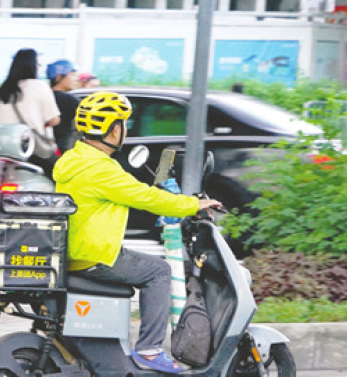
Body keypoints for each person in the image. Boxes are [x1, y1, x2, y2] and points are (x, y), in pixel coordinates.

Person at [53, 91, 222, 374]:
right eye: (123, 124)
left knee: (148, 266)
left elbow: (136, 196)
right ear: (113, 129)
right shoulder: (102, 169)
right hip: (95, 255)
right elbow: (146, 197)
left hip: (74, 250)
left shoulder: (73, 160)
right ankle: (149, 350)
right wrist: (194, 204)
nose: (126, 129)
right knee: (158, 271)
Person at [0, 49, 61, 177]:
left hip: (4, 150)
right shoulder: (39, 86)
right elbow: (54, 120)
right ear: (33, 66)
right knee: (61, 176)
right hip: (31, 149)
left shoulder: (3, 89)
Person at [46, 59, 80, 153]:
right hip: (64, 151)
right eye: (72, 75)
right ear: (58, 77)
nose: (76, 79)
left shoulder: (42, 97)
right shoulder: (70, 101)